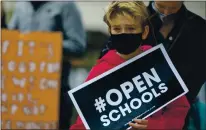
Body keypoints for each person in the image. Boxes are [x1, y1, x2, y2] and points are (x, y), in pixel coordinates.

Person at [70, 1, 190, 130]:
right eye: (117, 29)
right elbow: (85, 123)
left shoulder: (158, 64)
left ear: (144, 32)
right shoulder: (100, 72)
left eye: (131, 28)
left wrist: (153, 126)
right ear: (110, 31)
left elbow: (179, 109)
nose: (123, 33)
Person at [99, 1, 206, 129]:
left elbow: (197, 78)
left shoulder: (200, 29)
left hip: (178, 118)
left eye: (172, 7)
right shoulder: (130, 17)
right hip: (123, 115)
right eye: (161, 7)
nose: (166, 12)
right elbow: (103, 75)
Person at [8, 1, 86, 129]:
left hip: (55, 94)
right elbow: (10, 41)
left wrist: (43, 43)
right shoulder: (21, 5)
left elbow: (78, 46)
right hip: (22, 95)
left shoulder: (66, 5)